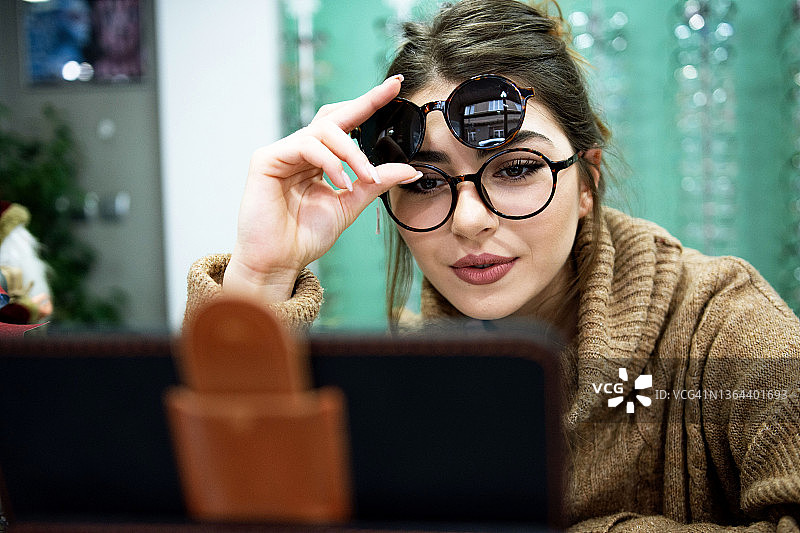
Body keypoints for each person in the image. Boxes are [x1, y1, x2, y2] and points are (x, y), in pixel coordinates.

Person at [186, 0, 800, 529]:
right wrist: (262, 275)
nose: (468, 219)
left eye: (515, 169)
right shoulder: (413, 374)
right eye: (426, 180)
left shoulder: (722, 328)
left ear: (587, 180)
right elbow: (224, 498)